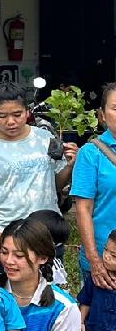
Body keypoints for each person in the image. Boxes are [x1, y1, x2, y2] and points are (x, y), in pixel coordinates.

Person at [0, 82, 75, 245]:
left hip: (47, 234)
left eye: (17, 114)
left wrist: (69, 166)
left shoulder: (45, 138)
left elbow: (56, 186)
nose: (11, 121)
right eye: (2, 116)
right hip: (6, 236)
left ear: (27, 112)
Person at [70, 83, 116, 291]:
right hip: (106, 260)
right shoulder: (91, 153)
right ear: (102, 115)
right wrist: (95, 260)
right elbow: (83, 210)